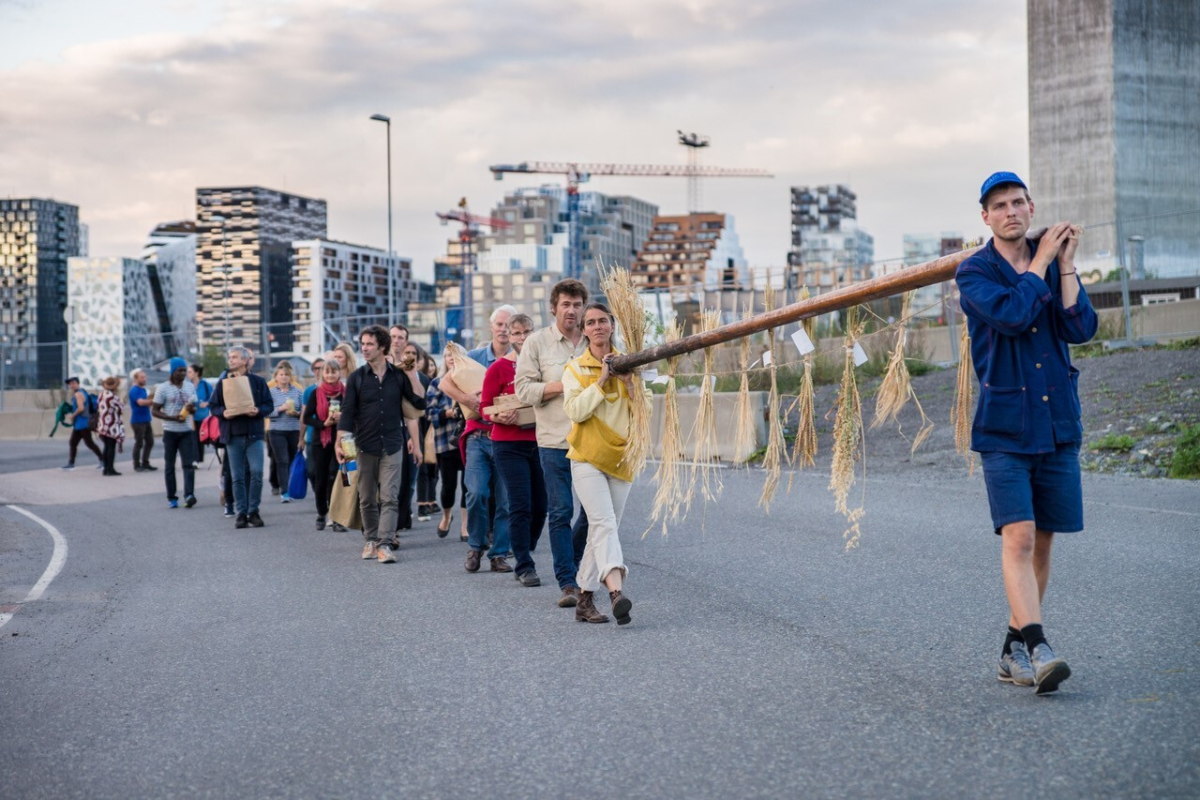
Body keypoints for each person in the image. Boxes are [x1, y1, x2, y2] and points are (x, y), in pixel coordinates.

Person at [956, 171, 1098, 695]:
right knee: (1016, 536)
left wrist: (1064, 266)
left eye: (1019, 202)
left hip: (1057, 422)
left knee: (1042, 542)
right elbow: (1014, 315)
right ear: (986, 217)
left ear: (1031, 208)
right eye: (1001, 205)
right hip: (1005, 427)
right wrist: (1039, 263)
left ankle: (1010, 649)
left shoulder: (1050, 261)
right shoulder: (973, 273)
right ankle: (1039, 648)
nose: (1012, 211)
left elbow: (1080, 327)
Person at [562, 303, 653, 625]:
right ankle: (617, 592)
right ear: (583, 330)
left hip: (622, 459)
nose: (597, 326)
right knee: (604, 524)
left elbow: (646, 413)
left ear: (612, 326)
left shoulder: (632, 366)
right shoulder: (575, 369)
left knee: (599, 532)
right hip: (587, 457)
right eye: (591, 322)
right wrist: (601, 381)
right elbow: (575, 412)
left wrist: (628, 382)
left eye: (603, 321)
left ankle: (585, 600)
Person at [515, 278, 591, 607]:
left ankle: (572, 559)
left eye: (577, 305)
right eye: (566, 304)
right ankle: (568, 582)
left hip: (592, 441)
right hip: (554, 440)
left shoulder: (596, 340)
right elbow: (523, 390)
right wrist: (563, 385)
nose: (571, 310)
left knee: (594, 512)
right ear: (553, 307)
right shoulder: (536, 343)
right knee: (560, 511)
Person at [439, 305, 515, 574]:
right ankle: (476, 545)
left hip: (508, 438)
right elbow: (444, 383)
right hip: (478, 436)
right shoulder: (474, 356)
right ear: (491, 328)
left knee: (504, 500)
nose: (504, 329)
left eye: (509, 325)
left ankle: (499, 554)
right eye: (500, 324)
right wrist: (470, 400)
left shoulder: (522, 359)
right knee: (476, 493)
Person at [483, 313, 547, 588]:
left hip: (541, 441)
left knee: (542, 505)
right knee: (519, 504)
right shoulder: (498, 368)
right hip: (508, 444)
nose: (522, 338)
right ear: (508, 337)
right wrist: (499, 417)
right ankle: (524, 564)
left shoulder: (543, 367)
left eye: (527, 332)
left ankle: (525, 544)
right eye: (517, 333)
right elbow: (485, 407)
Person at [336, 325, 407, 564]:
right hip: (364, 445)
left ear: (382, 348)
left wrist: (412, 372)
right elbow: (347, 413)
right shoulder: (356, 378)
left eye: (369, 344)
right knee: (366, 497)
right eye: (363, 344)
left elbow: (417, 403)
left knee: (389, 496)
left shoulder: (398, 376)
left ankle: (385, 544)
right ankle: (371, 539)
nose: (364, 348)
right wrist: (340, 443)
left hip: (393, 443)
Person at [209, 347, 274, 528]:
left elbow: (269, 405)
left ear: (245, 361)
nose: (231, 360)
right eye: (229, 357)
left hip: (254, 435)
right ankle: (241, 513)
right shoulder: (223, 383)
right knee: (236, 476)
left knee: (257, 473)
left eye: (235, 357)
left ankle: (253, 511)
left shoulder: (258, 382)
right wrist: (224, 412)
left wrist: (258, 411)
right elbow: (213, 407)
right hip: (233, 436)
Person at [426, 349, 468, 541]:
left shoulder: (470, 381)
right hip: (445, 441)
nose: (451, 358)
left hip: (468, 440)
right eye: (448, 356)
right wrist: (448, 413)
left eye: (456, 355)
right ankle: (446, 515)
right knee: (448, 485)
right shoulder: (437, 383)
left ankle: (465, 524)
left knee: (468, 485)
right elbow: (429, 413)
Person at [302, 354, 344, 531]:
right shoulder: (316, 393)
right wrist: (323, 423)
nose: (330, 375)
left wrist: (342, 417)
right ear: (322, 374)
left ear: (339, 373)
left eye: (334, 372)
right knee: (321, 478)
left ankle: (337, 517)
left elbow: (355, 413)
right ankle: (321, 512)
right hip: (322, 441)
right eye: (327, 372)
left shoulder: (345, 392)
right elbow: (306, 418)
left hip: (342, 440)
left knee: (338, 477)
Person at [152, 356, 199, 509]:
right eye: (180, 370)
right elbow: (155, 411)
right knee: (170, 466)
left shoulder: (189, 386)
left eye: (185, 370)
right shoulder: (163, 388)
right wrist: (171, 417)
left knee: (188, 465)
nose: (183, 373)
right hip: (170, 432)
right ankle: (172, 497)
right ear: (173, 372)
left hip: (186, 431)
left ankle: (189, 495)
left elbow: (195, 408)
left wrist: (192, 409)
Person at [267, 361, 304, 503]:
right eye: (281, 375)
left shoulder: (297, 391)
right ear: (276, 377)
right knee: (282, 460)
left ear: (290, 377)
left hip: (293, 429)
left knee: (293, 460)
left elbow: (304, 411)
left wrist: (297, 412)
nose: (284, 377)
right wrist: (280, 409)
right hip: (276, 431)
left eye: (286, 375)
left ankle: (293, 486)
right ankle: (285, 491)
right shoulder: (271, 392)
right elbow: (266, 413)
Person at [60, 376, 103, 470]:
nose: (71, 385)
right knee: (73, 442)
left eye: (73, 383)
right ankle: (71, 464)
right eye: (70, 384)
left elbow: (81, 408)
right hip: (80, 424)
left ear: (78, 383)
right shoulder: (82, 392)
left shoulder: (78, 394)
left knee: (89, 443)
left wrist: (73, 415)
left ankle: (103, 461)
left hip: (83, 423)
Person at [127, 368, 157, 472]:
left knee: (150, 441)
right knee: (139, 443)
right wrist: (154, 401)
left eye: (145, 377)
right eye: (142, 377)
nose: (144, 379)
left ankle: (145, 462)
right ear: (136, 379)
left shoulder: (143, 390)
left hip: (146, 419)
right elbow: (141, 402)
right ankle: (136, 464)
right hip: (137, 420)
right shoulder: (134, 390)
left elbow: (146, 402)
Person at [95, 376, 125, 476]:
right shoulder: (113, 397)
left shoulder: (101, 394)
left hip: (102, 423)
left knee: (106, 447)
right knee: (111, 447)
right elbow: (120, 409)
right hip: (111, 425)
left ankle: (105, 468)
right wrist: (121, 401)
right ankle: (110, 469)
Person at [189, 364, 212, 467]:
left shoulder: (205, 385)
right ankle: (195, 460)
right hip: (191, 416)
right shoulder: (187, 386)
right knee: (193, 439)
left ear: (196, 373)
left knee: (201, 439)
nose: (188, 374)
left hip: (203, 416)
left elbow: (213, 397)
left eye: (190, 372)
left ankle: (199, 459)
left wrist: (207, 403)